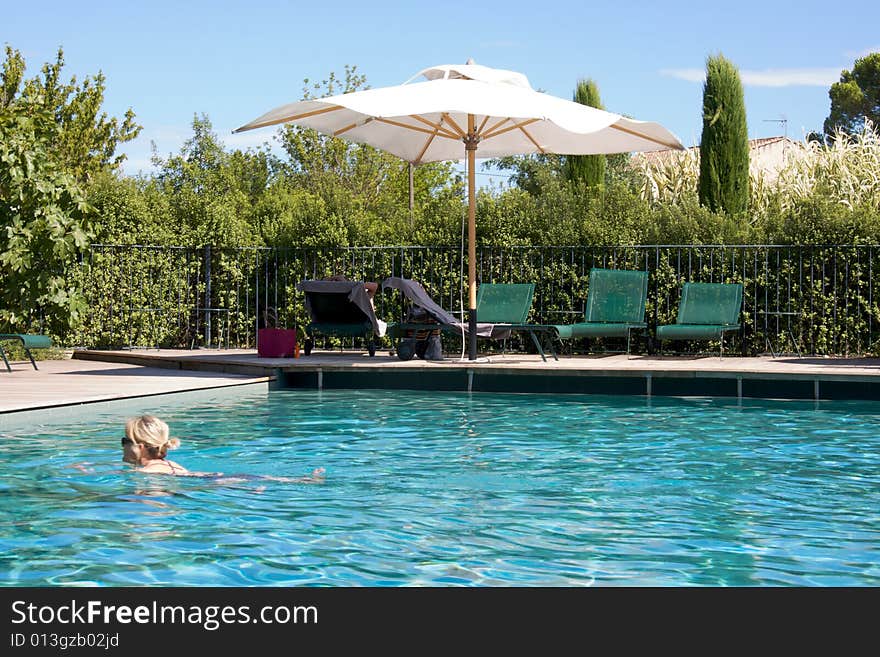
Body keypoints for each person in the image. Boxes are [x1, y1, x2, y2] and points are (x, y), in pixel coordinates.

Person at [121, 414, 325, 483]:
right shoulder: (170, 464)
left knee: (246, 480)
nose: (122, 446)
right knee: (253, 478)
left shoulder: (148, 471)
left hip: (217, 483)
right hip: (215, 477)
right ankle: (302, 480)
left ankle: (300, 481)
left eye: (124, 441)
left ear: (139, 447)